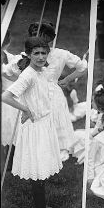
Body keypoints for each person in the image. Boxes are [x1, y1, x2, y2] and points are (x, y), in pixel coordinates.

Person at [2, 37, 62, 208]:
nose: (40, 57)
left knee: (44, 170)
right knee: (37, 175)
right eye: (35, 53)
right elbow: (6, 96)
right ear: (28, 54)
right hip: (35, 128)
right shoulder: (28, 75)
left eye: (43, 53)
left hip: (45, 125)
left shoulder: (43, 71)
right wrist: (26, 109)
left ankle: (43, 205)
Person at [26, 21, 88, 161]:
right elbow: (82, 67)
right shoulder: (27, 56)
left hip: (52, 94)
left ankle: (58, 148)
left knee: (54, 119)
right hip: (34, 93)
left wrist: (67, 79)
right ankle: (41, 148)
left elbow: (83, 67)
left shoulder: (60, 54)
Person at [1, 30, 19, 170]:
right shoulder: (11, 58)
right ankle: (9, 157)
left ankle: (11, 158)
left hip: (11, 97)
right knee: (7, 127)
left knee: (11, 127)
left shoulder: (12, 58)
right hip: (4, 98)